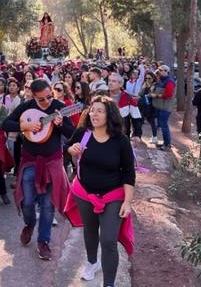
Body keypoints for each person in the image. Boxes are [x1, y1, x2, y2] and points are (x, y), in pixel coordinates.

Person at [64, 96, 135, 286]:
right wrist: (71, 149)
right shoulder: (83, 133)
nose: (94, 114)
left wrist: (127, 202)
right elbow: (67, 147)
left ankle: (109, 284)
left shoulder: (121, 141)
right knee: (90, 230)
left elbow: (129, 173)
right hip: (84, 193)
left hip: (113, 195)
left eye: (100, 110)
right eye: (92, 110)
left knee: (108, 240)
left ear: (109, 115)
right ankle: (92, 263)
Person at [2, 79, 74, 261]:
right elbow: (5, 124)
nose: (47, 101)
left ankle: (44, 242)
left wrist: (60, 124)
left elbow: (71, 133)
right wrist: (23, 126)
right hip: (30, 161)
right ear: (33, 96)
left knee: (48, 206)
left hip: (52, 162)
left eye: (50, 96)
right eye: (42, 99)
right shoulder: (26, 107)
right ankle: (29, 223)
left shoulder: (59, 107)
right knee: (27, 202)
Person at [108, 74, 142, 142]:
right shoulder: (102, 96)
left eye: (114, 81)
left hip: (122, 134)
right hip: (104, 134)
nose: (110, 83)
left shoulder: (128, 98)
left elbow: (136, 117)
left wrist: (137, 135)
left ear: (120, 84)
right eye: (109, 80)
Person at [149, 65, 175, 151]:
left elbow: (168, 95)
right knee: (162, 125)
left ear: (166, 71)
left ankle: (167, 145)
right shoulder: (161, 80)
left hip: (165, 108)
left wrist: (155, 95)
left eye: (160, 70)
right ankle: (165, 143)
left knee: (164, 126)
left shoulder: (169, 82)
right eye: (158, 70)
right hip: (160, 107)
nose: (158, 71)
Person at [138, 72, 158, 143]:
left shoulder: (155, 85)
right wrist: (143, 88)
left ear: (153, 78)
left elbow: (154, 95)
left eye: (149, 78)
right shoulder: (145, 85)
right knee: (139, 121)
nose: (147, 80)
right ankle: (138, 136)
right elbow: (140, 94)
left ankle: (154, 137)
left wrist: (151, 90)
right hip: (143, 106)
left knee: (151, 122)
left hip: (151, 107)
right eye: (146, 78)